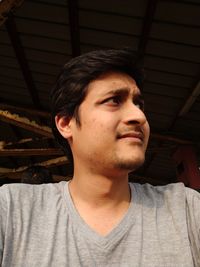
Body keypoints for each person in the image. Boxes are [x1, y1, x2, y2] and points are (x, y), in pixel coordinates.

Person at [0, 49, 199, 266]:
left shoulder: (186, 211)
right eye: (114, 100)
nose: (139, 116)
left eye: (139, 104)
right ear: (66, 124)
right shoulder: (11, 211)